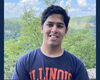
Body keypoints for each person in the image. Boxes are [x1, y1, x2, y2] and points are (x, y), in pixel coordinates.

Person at [12, 5, 89, 80]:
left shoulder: (76, 65)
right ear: (42, 28)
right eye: (50, 25)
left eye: (59, 26)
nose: (54, 30)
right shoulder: (25, 62)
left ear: (66, 31)